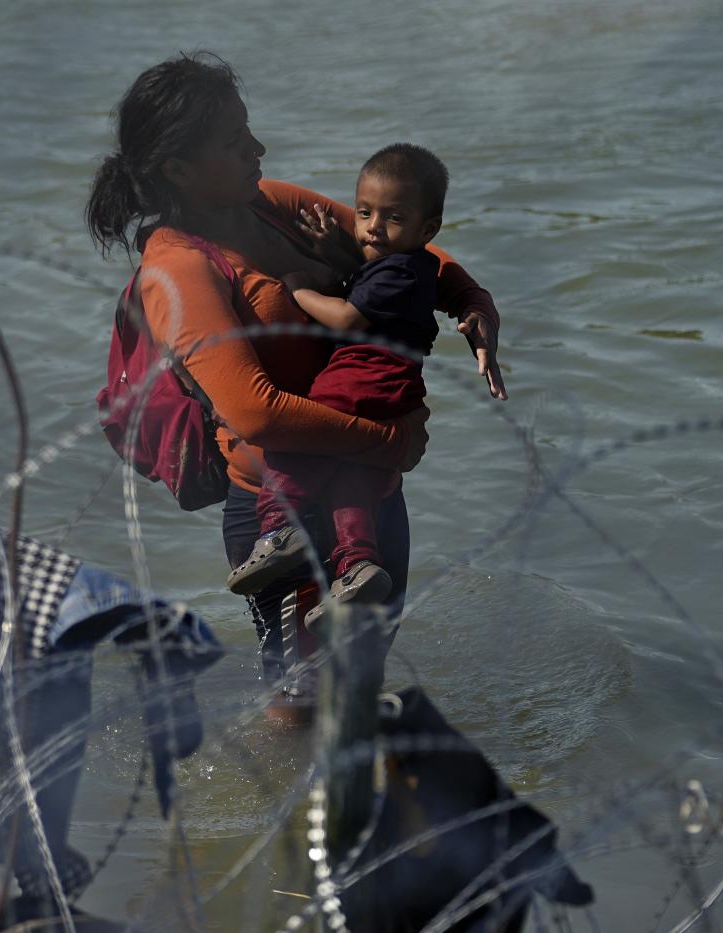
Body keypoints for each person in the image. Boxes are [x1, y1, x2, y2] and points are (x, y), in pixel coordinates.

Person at [85, 53, 506, 686]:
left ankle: (342, 774)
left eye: (248, 127)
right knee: (302, 701)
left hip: (369, 492)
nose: (259, 148)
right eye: (234, 142)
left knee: (360, 681)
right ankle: (268, 780)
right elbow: (255, 411)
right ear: (178, 169)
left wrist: (476, 307)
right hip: (283, 516)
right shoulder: (177, 270)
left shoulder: (268, 205)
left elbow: (405, 246)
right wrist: (390, 441)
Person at [226, 143, 475, 629]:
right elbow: (361, 280)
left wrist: (298, 287)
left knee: (296, 443)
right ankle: (358, 564)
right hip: (395, 385)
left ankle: (280, 530)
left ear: (429, 229)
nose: (372, 228)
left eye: (392, 218)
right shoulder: (407, 267)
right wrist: (335, 251)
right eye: (364, 213)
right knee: (351, 478)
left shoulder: (399, 270)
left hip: (362, 374)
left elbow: (347, 316)